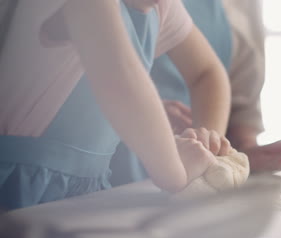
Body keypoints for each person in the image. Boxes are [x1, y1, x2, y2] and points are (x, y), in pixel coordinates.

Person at [0, 0, 231, 210]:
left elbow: (206, 73)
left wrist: (206, 151)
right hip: (15, 186)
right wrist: (177, 175)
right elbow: (120, 80)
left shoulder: (161, 5)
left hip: (85, 193)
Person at [109, 0, 281, 187]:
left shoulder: (222, 16)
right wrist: (148, 113)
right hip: (115, 174)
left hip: (174, 183)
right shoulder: (98, 10)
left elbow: (209, 75)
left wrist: (216, 152)